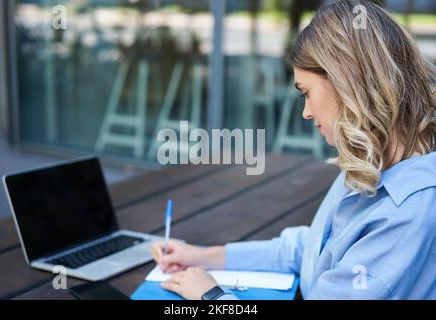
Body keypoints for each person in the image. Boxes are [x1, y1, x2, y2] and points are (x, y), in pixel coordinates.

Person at [151, 0, 436, 300]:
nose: (306, 112)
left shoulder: (406, 213)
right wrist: (205, 256)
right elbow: (314, 247)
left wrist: (212, 298)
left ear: (348, 86)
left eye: (307, 93)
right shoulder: (372, 164)